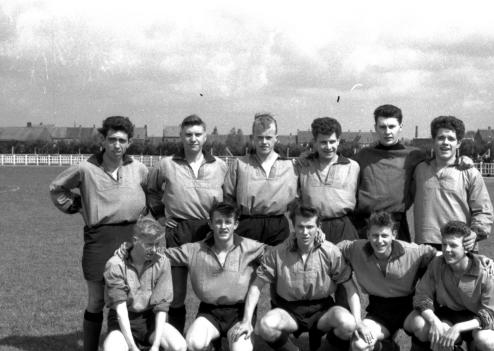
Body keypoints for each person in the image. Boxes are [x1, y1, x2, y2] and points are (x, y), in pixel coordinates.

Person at [49, 116, 149, 351]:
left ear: (129, 143)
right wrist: (77, 206)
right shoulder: (85, 168)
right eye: (112, 139)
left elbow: (155, 192)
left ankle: (133, 347)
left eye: (122, 140)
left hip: (131, 238)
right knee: (96, 299)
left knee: (131, 296)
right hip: (99, 239)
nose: (117, 145)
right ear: (103, 140)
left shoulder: (139, 168)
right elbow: (56, 189)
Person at [232, 203, 358, 351]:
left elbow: (350, 287)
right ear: (293, 226)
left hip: (322, 309)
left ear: (318, 227)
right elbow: (256, 287)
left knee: (348, 324)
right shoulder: (278, 253)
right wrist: (247, 321)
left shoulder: (331, 251)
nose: (305, 232)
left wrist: (359, 322)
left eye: (310, 227)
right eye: (300, 227)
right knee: (265, 326)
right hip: (289, 310)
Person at [146, 114, 228, 334]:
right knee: (176, 292)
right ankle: (174, 344)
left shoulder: (219, 166)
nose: (193, 139)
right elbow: (151, 190)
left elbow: (229, 199)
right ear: (181, 136)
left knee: (212, 290)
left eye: (198, 134)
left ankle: (210, 347)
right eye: (188, 134)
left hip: (208, 233)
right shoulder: (166, 164)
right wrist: (161, 217)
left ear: (205, 136)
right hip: (178, 232)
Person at [163, 202, 264, 351]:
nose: (223, 226)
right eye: (218, 222)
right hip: (210, 312)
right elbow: (162, 255)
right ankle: (211, 349)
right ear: (210, 224)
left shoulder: (251, 247)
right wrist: (130, 249)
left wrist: (312, 237)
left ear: (236, 224)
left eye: (227, 222)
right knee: (193, 345)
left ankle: (233, 348)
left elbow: (281, 253)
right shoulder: (194, 249)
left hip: (239, 312)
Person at [401, 221, 494, 351]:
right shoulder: (437, 264)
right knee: (439, 345)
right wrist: (434, 321)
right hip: (448, 314)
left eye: (453, 245)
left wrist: (459, 327)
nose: (447, 250)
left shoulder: (484, 271)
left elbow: (491, 313)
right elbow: (421, 295)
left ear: (466, 247)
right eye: (444, 244)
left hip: (474, 319)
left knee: (486, 341)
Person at [337, 212, 438, 351]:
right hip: (379, 309)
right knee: (358, 347)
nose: (379, 241)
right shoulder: (355, 248)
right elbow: (332, 250)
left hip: (408, 307)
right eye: (375, 235)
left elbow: (441, 255)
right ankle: (388, 349)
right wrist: (318, 238)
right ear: (368, 234)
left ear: (394, 235)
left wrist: (479, 261)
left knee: (425, 327)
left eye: (384, 235)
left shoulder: (412, 251)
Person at [101, 217, 187, 351]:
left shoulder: (162, 262)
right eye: (149, 244)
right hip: (123, 320)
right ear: (135, 240)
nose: (154, 249)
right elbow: (120, 312)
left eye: (157, 244)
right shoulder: (115, 265)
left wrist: (156, 346)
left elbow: (162, 307)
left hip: (149, 321)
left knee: (180, 348)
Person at [411, 115, 494, 252]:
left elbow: (483, 210)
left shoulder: (469, 172)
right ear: (433, 141)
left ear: (459, 143)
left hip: (459, 245)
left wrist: (475, 233)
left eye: (451, 139)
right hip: (424, 247)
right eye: (441, 138)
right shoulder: (419, 170)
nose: (445, 142)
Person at [223, 113, 297, 246]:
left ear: (276, 138)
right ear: (252, 138)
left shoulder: (289, 166)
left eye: (268, 137)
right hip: (247, 225)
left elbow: (298, 200)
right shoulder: (240, 164)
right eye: (260, 137)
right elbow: (228, 199)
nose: (264, 142)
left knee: (278, 265)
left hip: (278, 226)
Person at [352, 104, 423, 241]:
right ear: (375, 128)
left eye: (392, 126)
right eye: (382, 127)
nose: (387, 132)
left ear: (400, 127)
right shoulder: (363, 155)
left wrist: (462, 159)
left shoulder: (414, 155)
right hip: (365, 223)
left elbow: (439, 164)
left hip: (396, 222)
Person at [296, 117, 360, 244]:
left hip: (344, 228)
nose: (328, 147)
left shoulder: (353, 167)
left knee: (344, 263)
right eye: (323, 142)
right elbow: (295, 201)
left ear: (338, 141)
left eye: (332, 141)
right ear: (314, 142)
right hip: (312, 226)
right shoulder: (302, 166)